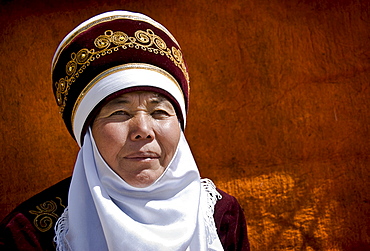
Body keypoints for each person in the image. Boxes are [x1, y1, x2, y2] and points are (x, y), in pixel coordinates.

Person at [0, 10, 250, 250]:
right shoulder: (30, 232)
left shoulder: (219, 215)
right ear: (88, 133)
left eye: (159, 113)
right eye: (119, 113)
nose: (143, 130)